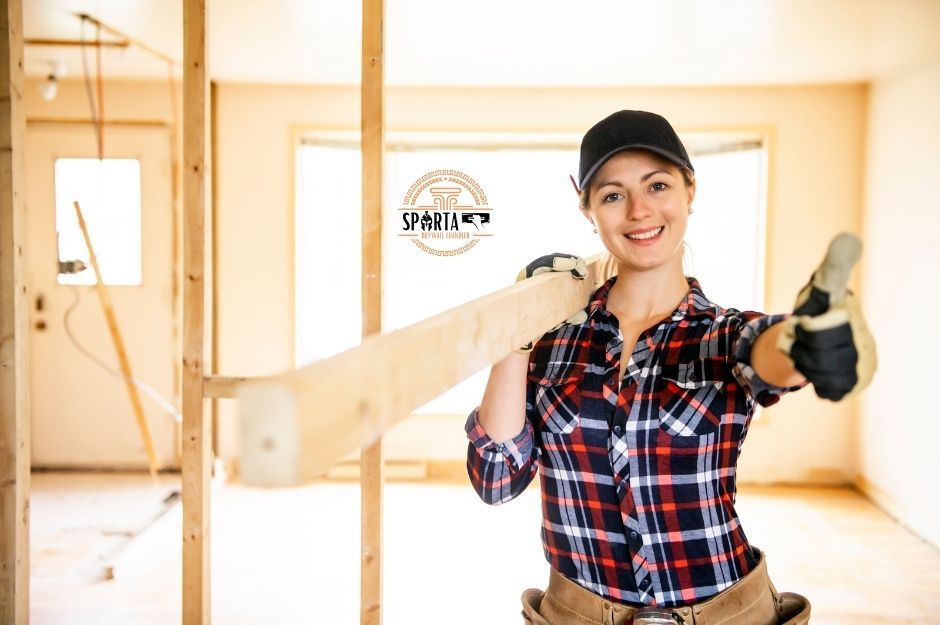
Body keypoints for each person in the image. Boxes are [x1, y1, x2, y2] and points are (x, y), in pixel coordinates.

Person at [464, 110, 873, 625]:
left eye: (657, 185)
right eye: (613, 194)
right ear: (586, 206)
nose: (639, 210)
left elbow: (768, 353)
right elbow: (495, 481)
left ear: (689, 192)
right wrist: (515, 328)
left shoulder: (719, 335)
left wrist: (802, 343)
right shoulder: (552, 344)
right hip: (577, 614)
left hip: (725, 612)